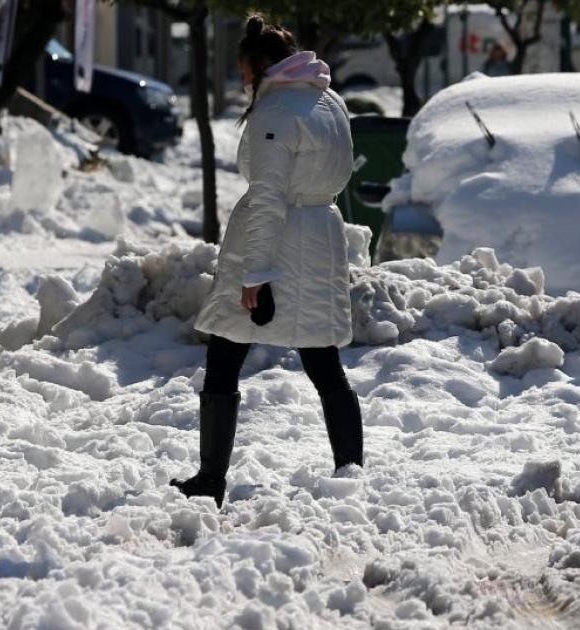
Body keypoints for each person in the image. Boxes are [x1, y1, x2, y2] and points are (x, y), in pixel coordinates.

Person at [170, 15, 363, 509]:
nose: (242, 82)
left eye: (243, 72)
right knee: (324, 361)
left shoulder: (275, 113)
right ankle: (352, 474)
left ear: (259, 67)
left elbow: (268, 197)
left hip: (278, 243)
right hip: (320, 237)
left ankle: (210, 479)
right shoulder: (329, 101)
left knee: (224, 353)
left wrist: (256, 273)